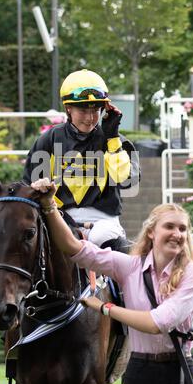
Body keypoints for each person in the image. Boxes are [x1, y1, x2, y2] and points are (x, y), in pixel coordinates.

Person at [30, 177, 193, 384]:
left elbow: (157, 323)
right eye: (169, 226)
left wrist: (105, 308)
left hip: (178, 371)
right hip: (138, 369)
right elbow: (72, 247)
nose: (177, 234)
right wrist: (49, 205)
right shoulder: (130, 266)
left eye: (183, 229)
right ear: (152, 232)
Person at [23, 69, 139, 249]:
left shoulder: (117, 141)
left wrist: (113, 139)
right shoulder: (49, 140)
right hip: (59, 218)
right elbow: (29, 186)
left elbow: (127, 181)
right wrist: (38, 187)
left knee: (119, 250)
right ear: (68, 108)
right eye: (83, 110)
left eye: (96, 110)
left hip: (104, 223)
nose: (90, 118)